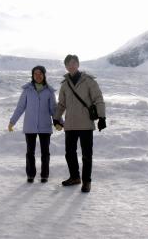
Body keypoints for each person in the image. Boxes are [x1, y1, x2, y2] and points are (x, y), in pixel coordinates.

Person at [53, 55, 106, 193]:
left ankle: (87, 181)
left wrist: (102, 117)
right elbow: (61, 104)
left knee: (87, 155)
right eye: (68, 64)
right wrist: (56, 117)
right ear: (65, 66)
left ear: (78, 64)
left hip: (85, 124)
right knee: (69, 153)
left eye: (73, 63)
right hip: (70, 124)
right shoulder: (65, 84)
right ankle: (75, 177)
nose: (71, 66)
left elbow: (98, 99)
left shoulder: (88, 81)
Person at [8, 65, 60, 183]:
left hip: (45, 126)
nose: (38, 76)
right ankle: (30, 174)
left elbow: (53, 109)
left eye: (40, 73)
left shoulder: (49, 91)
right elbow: (20, 107)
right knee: (30, 152)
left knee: (45, 152)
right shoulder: (27, 90)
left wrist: (58, 122)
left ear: (44, 75)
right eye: (35, 74)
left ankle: (44, 175)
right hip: (30, 126)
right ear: (32, 75)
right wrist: (12, 122)